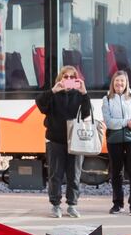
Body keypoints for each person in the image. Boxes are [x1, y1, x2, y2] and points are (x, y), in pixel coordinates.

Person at [36, 65, 91, 218]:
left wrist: (84, 93)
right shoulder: (53, 95)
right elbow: (40, 104)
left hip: (76, 141)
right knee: (55, 174)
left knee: (74, 175)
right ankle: (55, 205)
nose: (68, 79)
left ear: (76, 79)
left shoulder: (79, 95)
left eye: (72, 77)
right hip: (55, 140)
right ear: (60, 79)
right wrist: (53, 90)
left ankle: (72, 205)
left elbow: (87, 113)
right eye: (65, 77)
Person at [101, 70, 131, 216]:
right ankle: (117, 204)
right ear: (112, 83)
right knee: (116, 173)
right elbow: (109, 122)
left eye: (122, 81)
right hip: (114, 140)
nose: (119, 83)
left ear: (126, 83)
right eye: (117, 81)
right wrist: (128, 122)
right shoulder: (107, 99)